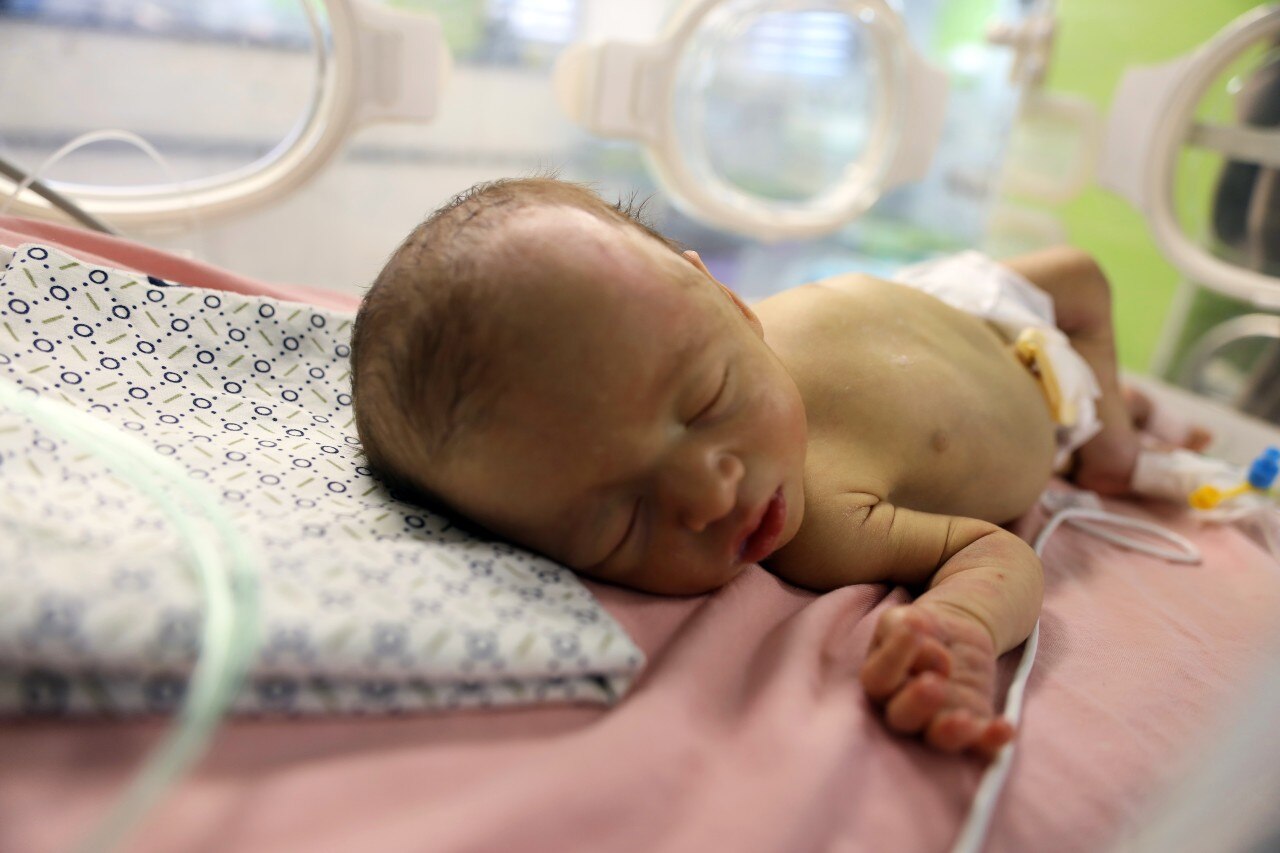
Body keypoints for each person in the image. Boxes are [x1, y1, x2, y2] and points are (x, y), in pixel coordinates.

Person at [350, 177, 1198, 759]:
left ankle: (1119, 443)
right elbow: (992, 553)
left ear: (729, 301)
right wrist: (964, 627)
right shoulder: (819, 522)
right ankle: (1110, 433)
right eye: (625, 518)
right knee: (1084, 302)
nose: (710, 488)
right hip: (1050, 401)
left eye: (707, 399)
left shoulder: (679, 336)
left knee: (1080, 271)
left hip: (957, 299)